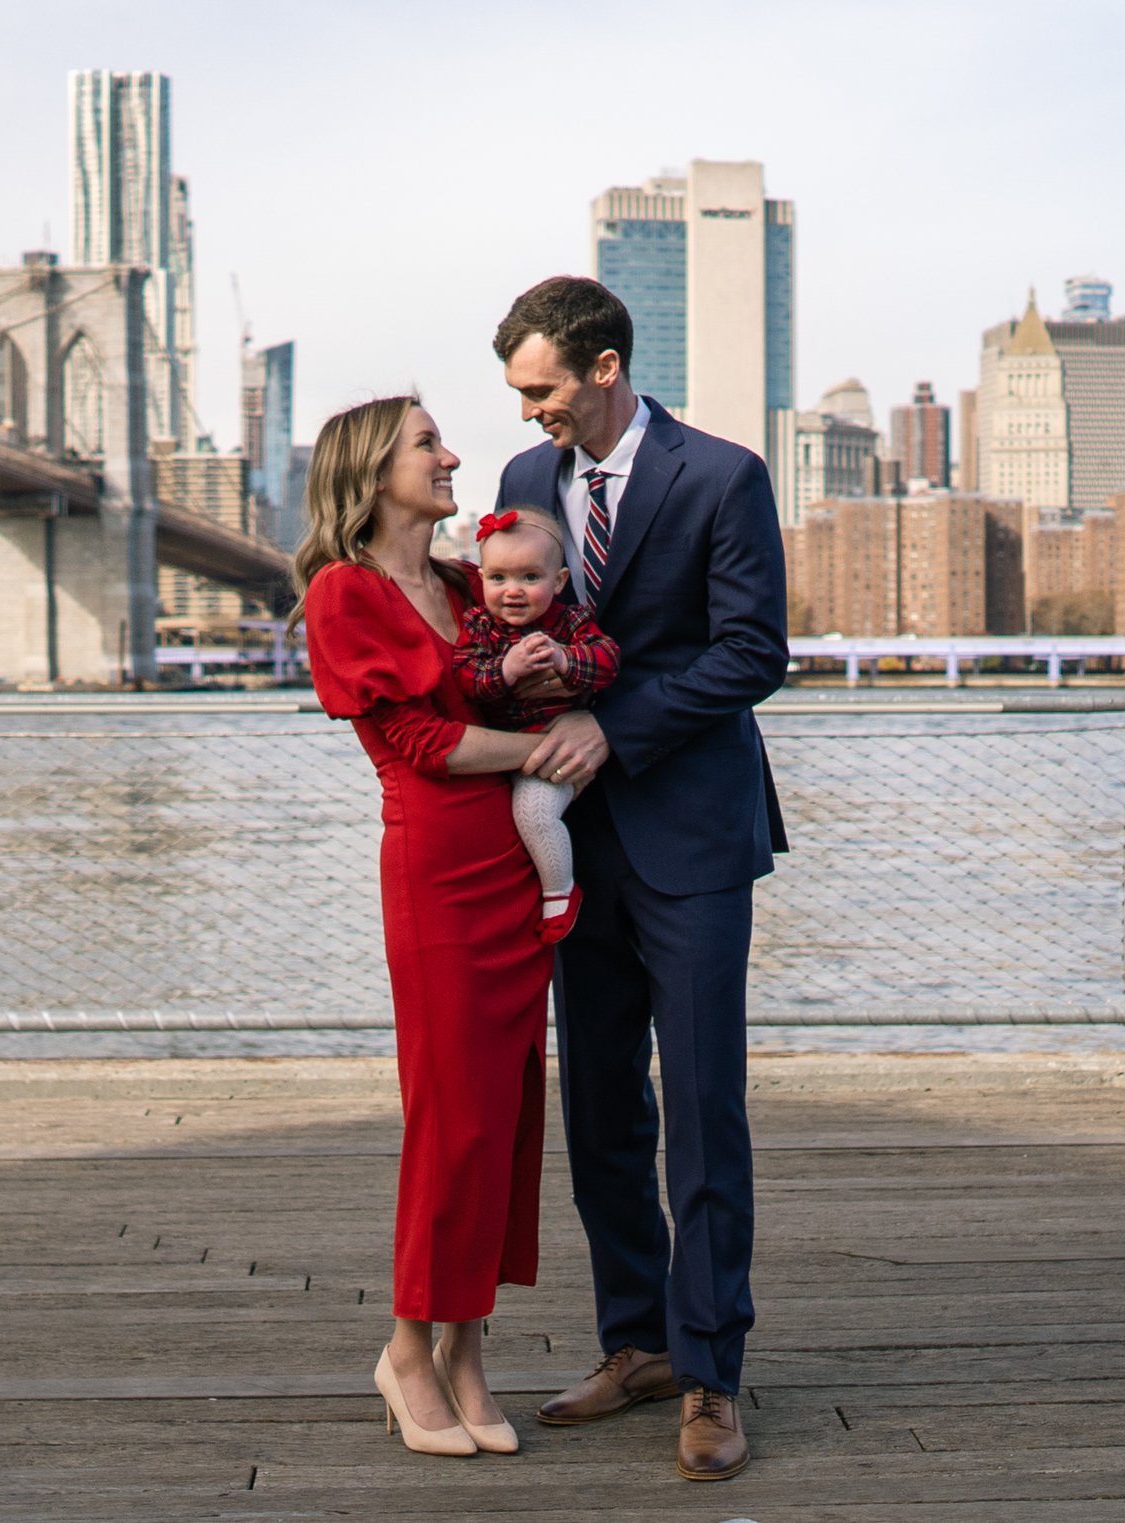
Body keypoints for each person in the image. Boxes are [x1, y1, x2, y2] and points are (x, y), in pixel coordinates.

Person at [492, 276, 788, 1483]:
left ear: (604, 366)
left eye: (542, 388)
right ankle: (639, 1340)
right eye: (518, 393)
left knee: (704, 1103)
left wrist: (620, 725)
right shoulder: (522, 485)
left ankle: (714, 1371)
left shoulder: (723, 475)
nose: (528, 413)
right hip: (571, 839)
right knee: (601, 1101)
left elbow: (750, 651)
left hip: (694, 830)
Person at [296, 395, 574, 1460]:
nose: (452, 454)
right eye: (428, 444)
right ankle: (408, 1348)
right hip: (440, 875)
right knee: (450, 1119)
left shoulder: (469, 582)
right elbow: (418, 740)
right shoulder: (344, 591)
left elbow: (535, 676)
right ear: (373, 471)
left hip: (515, 866)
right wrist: (547, 754)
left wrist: (575, 711)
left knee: (504, 1118)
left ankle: (466, 1347)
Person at [449, 505, 623, 944]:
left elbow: (608, 661)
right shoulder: (479, 626)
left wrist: (566, 660)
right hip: (500, 753)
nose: (513, 591)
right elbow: (466, 679)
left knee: (534, 812)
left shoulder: (571, 622)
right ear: (482, 579)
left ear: (559, 582)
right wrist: (506, 670)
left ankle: (559, 894)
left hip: (554, 751)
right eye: (498, 578)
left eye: (530, 578)